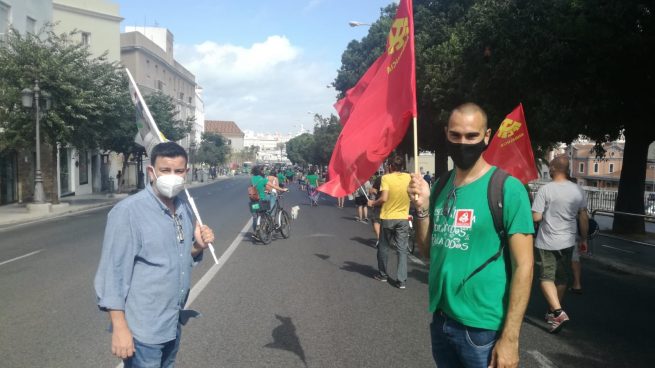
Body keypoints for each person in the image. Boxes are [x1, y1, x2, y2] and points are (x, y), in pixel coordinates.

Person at [408, 103, 534, 368]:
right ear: (446, 134)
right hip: (442, 320)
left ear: (486, 136)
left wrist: (510, 339)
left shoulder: (508, 190)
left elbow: (525, 266)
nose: (462, 143)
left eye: (471, 136)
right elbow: (427, 251)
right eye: (455, 135)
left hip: (482, 329)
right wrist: (421, 210)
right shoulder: (440, 186)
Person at [94, 141, 215, 368]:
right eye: (165, 170)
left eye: (178, 171)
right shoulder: (129, 212)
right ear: (151, 171)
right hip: (143, 330)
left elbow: (177, 259)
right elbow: (113, 275)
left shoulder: (182, 208)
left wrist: (198, 247)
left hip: (171, 322)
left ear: (186, 173)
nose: (172, 176)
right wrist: (120, 329)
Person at [532, 155, 588, 333]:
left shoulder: (546, 190)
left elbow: (536, 217)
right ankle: (551, 311)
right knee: (562, 278)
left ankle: (558, 312)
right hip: (568, 241)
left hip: (547, 241)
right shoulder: (578, 190)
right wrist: (584, 239)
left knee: (546, 278)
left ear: (554, 169)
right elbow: (584, 216)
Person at [368, 155, 412, 289]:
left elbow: (384, 198)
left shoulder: (386, 178)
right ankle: (401, 280)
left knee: (383, 247)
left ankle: (383, 274)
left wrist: (373, 203)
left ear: (391, 166)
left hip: (388, 217)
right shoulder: (408, 177)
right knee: (402, 249)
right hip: (403, 217)